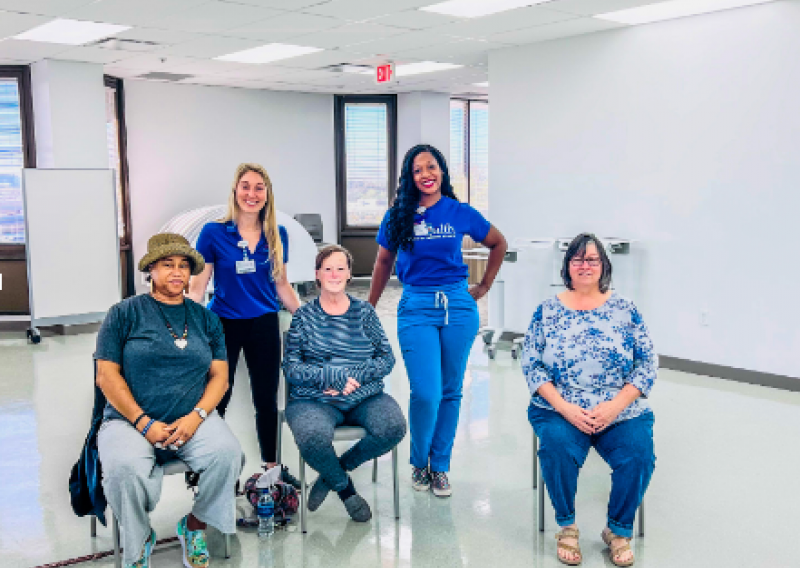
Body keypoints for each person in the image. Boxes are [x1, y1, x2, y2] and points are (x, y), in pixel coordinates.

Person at [96, 233, 243, 568]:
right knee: (124, 471)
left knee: (228, 454)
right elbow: (106, 376)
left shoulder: (206, 318)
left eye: (183, 266)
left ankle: (194, 526)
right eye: (168, 265)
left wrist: (198, 415)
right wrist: (143, 422)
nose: (177, 272)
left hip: (192, 418)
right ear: (151, 271)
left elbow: (220, 376)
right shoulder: (123, 314)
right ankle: (139, 540)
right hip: (128, 420)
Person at [368, 144, 507, 497]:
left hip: (458, 305)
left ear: (442, 171)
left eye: (431, 167)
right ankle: (419, 463)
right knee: (426, 392)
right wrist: (368, 306)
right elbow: (383, 263)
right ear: (410, 178)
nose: (426, 174)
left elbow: (498, 242)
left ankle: (440, 466)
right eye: (418, 170)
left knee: (451, 391)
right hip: (416, 306)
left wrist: (484, 285)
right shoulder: (398, 215)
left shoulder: (459, 212)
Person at [522, 233, 657, 567]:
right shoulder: (547, 311)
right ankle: (566, 525)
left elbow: (647, 363)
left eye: (592, 259)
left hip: (620, 410)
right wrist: (565, 408)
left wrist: (616, 406)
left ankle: (618, 530)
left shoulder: (626, 310)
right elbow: (532, 364)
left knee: (639, 455)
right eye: (578, 259)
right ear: (567, 266)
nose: (585, 265)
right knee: (556, 448)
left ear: (603, 266)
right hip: (559, 408)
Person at [189, 163, 301, 486]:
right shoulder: (213, 233)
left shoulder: (276, 234)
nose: (251, 194)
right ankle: (210, 465)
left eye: (259, 188)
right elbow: (199, 286)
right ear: (235, 191)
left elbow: (282, 286)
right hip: (224, 323)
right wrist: (177, 316)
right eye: (245, 186)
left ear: (267, 195)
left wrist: (309, 315)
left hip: (264, 324)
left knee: (266, 399)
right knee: (218, 396)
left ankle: (272, 468)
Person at [283, 245, 406, 521]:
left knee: (393, 427)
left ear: (349, 273)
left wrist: (355, 380)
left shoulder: (365, 313)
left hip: (364, 396)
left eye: (340, 268)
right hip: (314, 399)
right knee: (313, 438)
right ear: (317, 274)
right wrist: (334, 377)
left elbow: (387, 358)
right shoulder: (303, 317)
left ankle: (331, 474)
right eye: (327, 268)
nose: (334, 274)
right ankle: (345, 490)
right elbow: (291, 368)